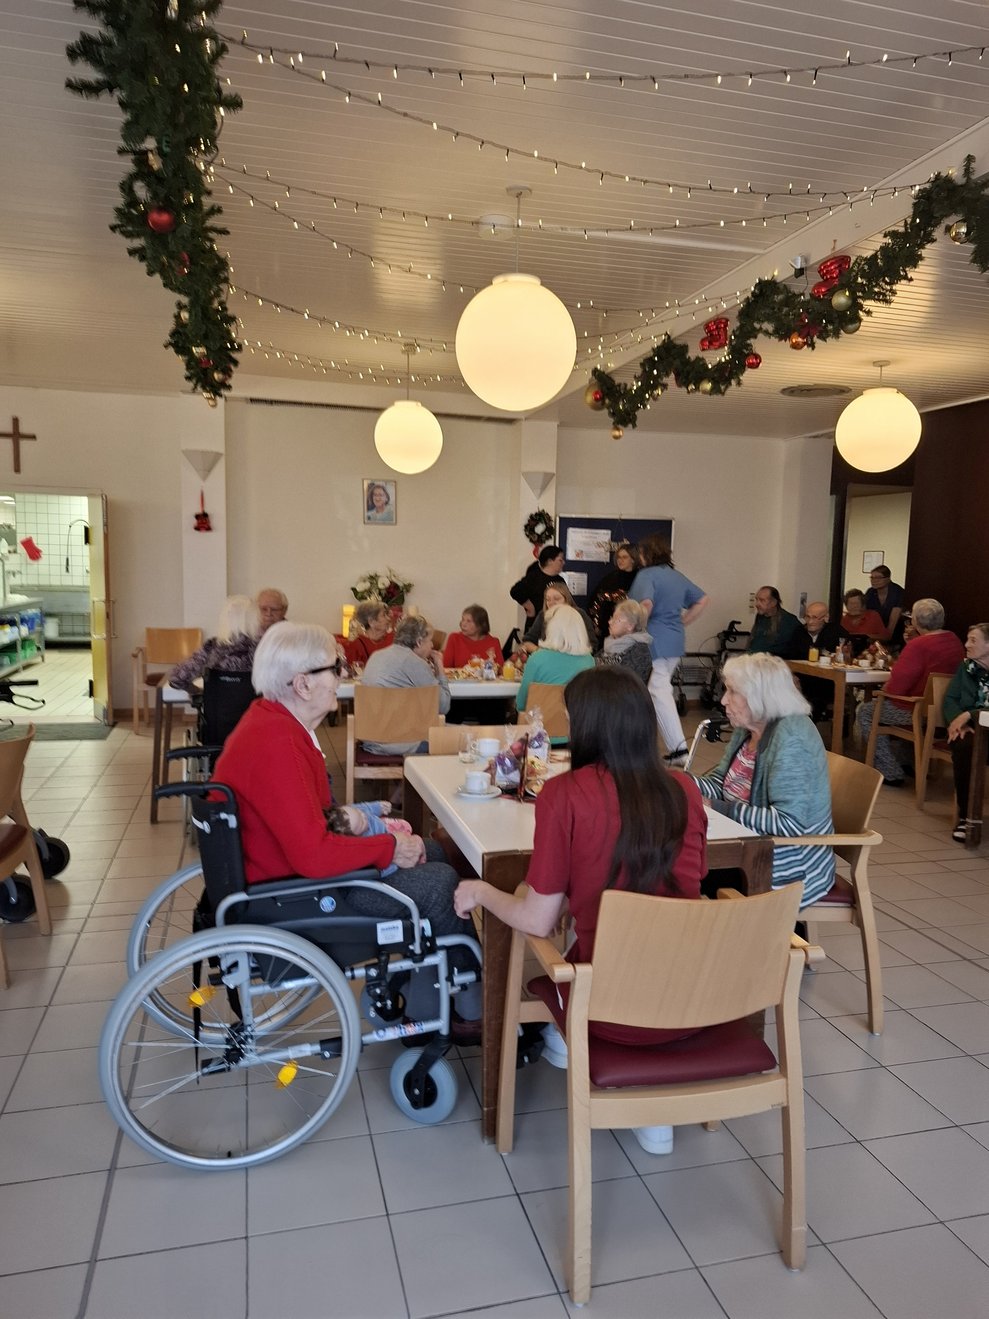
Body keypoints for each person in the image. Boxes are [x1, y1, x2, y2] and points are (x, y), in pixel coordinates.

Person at [454, 666, 708, 1158]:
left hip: (609, 1010)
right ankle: (643, 1103)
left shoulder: (565, 795)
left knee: (557, 954)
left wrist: (482, 892)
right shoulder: (686, 791)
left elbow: (536, 921)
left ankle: (575, 1048)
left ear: (589, 725)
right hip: (694, 998)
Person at [213, 620, 480, 1030]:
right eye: (334, 668)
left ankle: (426, 985)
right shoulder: (278, 743)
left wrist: (360, 822)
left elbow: (310, 822)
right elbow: (313, 854)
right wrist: (389, 848)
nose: (342, 676)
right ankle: (473, 1009)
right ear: (302, 684)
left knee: (440, 849)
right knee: (442, 881)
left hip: (287, 875)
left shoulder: (271, 724)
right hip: (299, 894)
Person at [691, 652, 835, 907]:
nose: (723, 700)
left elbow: (789, 824)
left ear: (761, 697)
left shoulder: (792, 740)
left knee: (681, 872)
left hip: (789, 863)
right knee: (677, 861)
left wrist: (721, 808)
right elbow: (719, 785)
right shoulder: (749, 727)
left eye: (733, 692)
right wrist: (677, 782)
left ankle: (739, 940)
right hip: (750, 845)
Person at [855, 598, 964, 786]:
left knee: (866, 711)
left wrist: (883, 692)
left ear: (915, 621)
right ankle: (907, 762)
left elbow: (898, 686)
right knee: (892, 708)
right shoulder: (954, 640)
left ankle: (890, 771)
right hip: (944, 710)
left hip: (915, 710)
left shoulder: (919, 645)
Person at [629, 533, 709, 766]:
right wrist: (682, 622)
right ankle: (666, 748)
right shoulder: (676, 576)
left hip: (654, 641)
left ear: (644, 555)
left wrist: (632, 627)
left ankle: (679, 750)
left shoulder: (646, 575)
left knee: (658, 691)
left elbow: (645, 604)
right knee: (659, 690)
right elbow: (703, 600)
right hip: (674, 639)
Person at [361, 614, 451, 754]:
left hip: (370, 737)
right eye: (430, 641)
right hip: (401, 741)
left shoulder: (377, 655)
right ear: (419, 642)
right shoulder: (414, 662)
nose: (432, 645)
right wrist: (440, 666)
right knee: (461, 738)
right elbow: (444, 706)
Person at [515, 605, 595, 740]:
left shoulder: (537, 658)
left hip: (537, 738)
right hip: (576, 736)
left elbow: (522, 703)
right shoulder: (589, 661)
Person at [942, 623, 989, 842]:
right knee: (964, 745)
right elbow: (951, 699)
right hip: (971, 730)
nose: (966, 644)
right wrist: (956, 721)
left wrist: (969, 714)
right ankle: (966, 816)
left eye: (973, 640)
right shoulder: (966, 667)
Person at [169, 594, 260, 694]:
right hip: (256, 708)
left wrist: (197, 692)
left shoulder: (211, 648)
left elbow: (177, 679)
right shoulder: (262, 648)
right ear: (254, 619)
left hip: (216, 707)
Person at [325, 802, 426, 875]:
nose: (364, 816)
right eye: (361, 823)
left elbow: (365, 808)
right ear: (355, 837)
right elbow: (380, 869)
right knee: (415, 847)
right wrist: (397, 866)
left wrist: (378, 806)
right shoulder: (365, 841)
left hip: (387, 828)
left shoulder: (351, 812)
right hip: (389, 839)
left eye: (359, 813)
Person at [798, 601, 848, 722]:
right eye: (807, 617)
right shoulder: (799, 631)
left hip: (826, 680)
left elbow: (846, 652)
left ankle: (809, 724)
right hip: (802, 676)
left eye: (814, 617)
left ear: (825, 618)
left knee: (818, 694)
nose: (810, 621)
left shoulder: (836, 632)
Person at [521, 581, 596, 654]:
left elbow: (592, 644)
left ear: (567, 600)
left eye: (556, 599)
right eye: (548, 599)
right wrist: (541, 653)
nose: (551, 603)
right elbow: (528, 640)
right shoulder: (543, 615)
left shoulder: (579, 614)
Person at [588, 543, 638, 643]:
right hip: (608, 629)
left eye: (624, 557)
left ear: (633, 559)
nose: (620, 560)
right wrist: (596, 624)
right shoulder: (610, 578)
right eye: (618, 557)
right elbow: (595, 601)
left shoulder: (640, 578)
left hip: (632, 629)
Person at [597, 597, 653, 685]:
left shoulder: (640, 651)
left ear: (630, 626)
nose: (610, 622)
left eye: (617, 620)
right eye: (612, 618)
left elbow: (627, 684)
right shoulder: (608, 645)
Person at [746, 586, 808, 660]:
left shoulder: (789, 621)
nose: (757, 604)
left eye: (762, 600)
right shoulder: (760, 616)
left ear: (774, 602)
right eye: (756, 599)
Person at [510, 544, 566, 620]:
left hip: (555, 622)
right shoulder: (534, 577)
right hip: (536, 624)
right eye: (560, 560)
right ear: (550, 561)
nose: (563, 563)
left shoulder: (560, 580)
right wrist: (530, 607)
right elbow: (515, 591)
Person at [442, 604, 500, 669]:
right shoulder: (454, 638)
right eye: (463, 619)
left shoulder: (494, 642)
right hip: (459, 679)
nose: (463, 624)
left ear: (480, 625)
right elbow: (445, 668)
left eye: (469, 621)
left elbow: (500, 670)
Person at [346, 601, 393, 668]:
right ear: (371, 622)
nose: (388, 619)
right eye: (383, 615)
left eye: (387, 615)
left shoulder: (393, 639)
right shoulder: (357, 645)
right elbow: (352, 674)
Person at [864, 565, 905, 637]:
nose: (874, 580)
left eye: (878, 578)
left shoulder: (898, 592)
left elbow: (890, 629)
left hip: (896, 635)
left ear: (888, 578)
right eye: (872, 577)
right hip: (874, 633)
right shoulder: (870, 592)